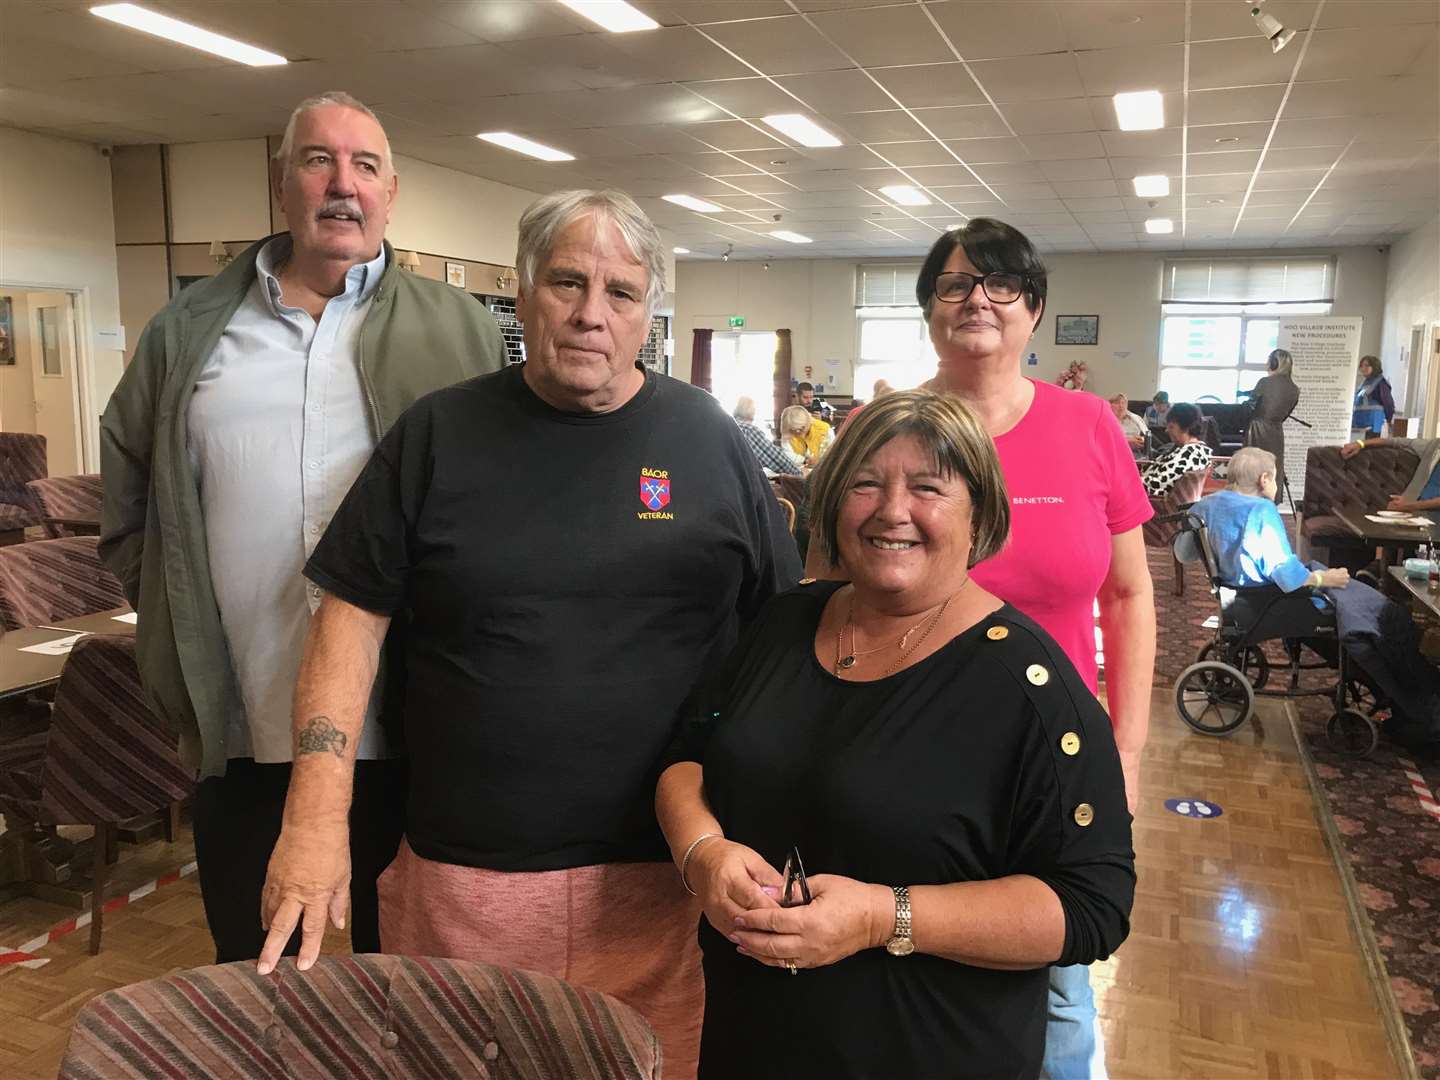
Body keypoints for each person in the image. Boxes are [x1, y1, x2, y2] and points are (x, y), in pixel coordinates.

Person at [257, 189, 800, 1079]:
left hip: (664, 879)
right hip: (468, 880)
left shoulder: (708, 441)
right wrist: (315, 822)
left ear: (650, 311)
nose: (592, 314)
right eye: (567, 282)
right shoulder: (438, 433)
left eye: (621, 293)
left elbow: (779, 639)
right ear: (522, 292)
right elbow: (348, 619)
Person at [98, 92, 506, 965]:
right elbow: (130, 515)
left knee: (413, 997)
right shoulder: (186, 334)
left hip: (416, 739)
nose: (342, 185)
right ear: (281, 181)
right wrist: (175, 626)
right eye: (318, 160)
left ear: (392, 192)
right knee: (265, 995)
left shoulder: (460, 331)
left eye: (365, 165)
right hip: (245, 733)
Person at [658, 390, 1135, 1080]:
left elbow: (1091, 905)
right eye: (865, 484)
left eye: (928, 488)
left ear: (980, 515)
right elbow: (686, 759)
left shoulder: (1029, 690)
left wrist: (886, 917)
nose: (891, 510)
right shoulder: (785, 623)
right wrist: (703, 853)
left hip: (929, 1048)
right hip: (748, 1037)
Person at [854, 217, 1151, 1079]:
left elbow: (1129, 597)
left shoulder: (1090, 424)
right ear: (930, 310)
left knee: (1058, 984)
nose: (978, 298)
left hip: (1053, 759)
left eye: (1002, 283)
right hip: (907, 746)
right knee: (907, 953)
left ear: (1035, 310)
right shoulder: (886, 427)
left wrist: (1125, 750)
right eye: (954, 282)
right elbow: (832, 593)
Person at [1341, 432, 1440, 523]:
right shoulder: (1434, 446)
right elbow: (1395, 441)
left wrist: (1411, 505)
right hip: (1412, 514)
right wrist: (1360, 443)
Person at [1246, 348, 1301, 502]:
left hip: (1256, 430)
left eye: (1269, 360)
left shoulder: (1264, 382)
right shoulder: (1294, 389)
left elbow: (1249, 408)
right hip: (1276, 432)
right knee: (1272, 470)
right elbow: (1285, 414)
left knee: (1252, 471)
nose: (1266, 363)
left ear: (1275, 363)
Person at [1141, 402, 1213, 499]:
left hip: (1157, 506)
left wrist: (1125, 482)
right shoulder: (1186, 450)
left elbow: (1158, 484)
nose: (1167, 430)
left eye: (1171, 426)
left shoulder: (1191, 454)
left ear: (1186, 428)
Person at [734, 395, 800, 475]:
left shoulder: (733, 427)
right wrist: (797, 473)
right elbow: (775, 457)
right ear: (747, 409)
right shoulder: (749, 430)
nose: (755, 410)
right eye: (753, 407)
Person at [1352, 355, 1395, 437]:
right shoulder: (1364, 383)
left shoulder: (1381, 383)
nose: (1363, 368)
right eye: (1361, 366)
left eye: (1366, 365)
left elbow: (1388, 404)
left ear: (1374, 366)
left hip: (1374, 426)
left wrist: (1388, 421)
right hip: (1360, 424)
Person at [781, 402, 829, 467]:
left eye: (802, 428)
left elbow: (830, 456)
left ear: (808, 421)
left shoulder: (825, 430)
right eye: (794, 431)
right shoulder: (789, 432)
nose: (799, 433)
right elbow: (787, 455)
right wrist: (804, 460)